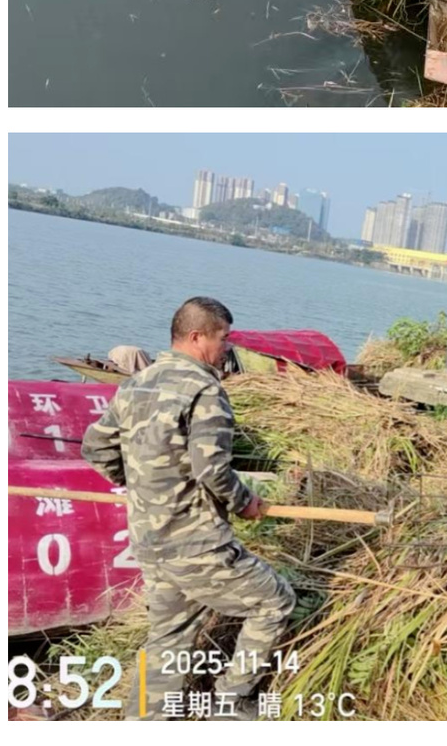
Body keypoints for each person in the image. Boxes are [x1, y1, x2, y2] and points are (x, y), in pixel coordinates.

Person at [80, 297, 293, 720]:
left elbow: (95, 447)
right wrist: (245, 501)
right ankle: (229, 702)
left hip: (150, 539)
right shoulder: (205, 389)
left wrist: (142, 486)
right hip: (195, 542)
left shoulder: (136, 383)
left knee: (169, 636)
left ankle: (143, 722)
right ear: (197, 337)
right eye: (223, 338)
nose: (227, 348)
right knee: (275, 602)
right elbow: (212, 468)